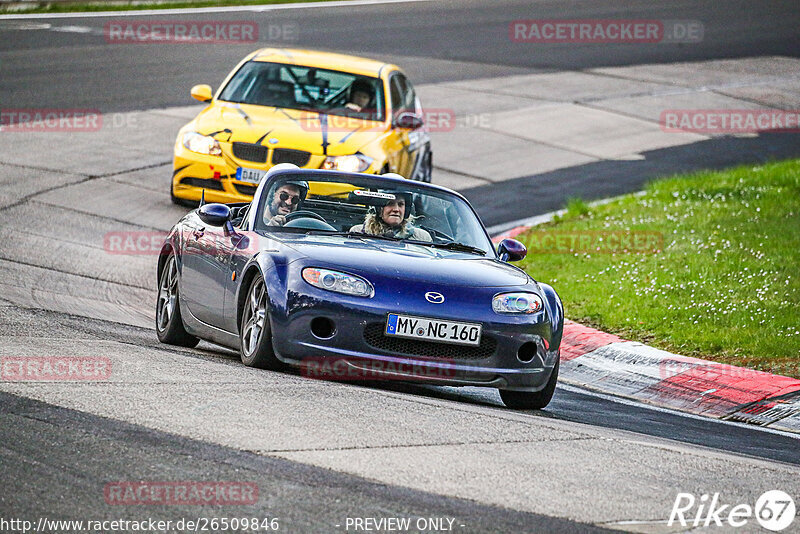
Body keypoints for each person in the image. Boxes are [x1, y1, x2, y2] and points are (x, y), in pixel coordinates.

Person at [350, 192, 431, 241]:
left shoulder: (422, 238)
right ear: (378, 209)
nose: (396, 209)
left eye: (401, 204)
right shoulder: (358, 232)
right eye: (390, 204)